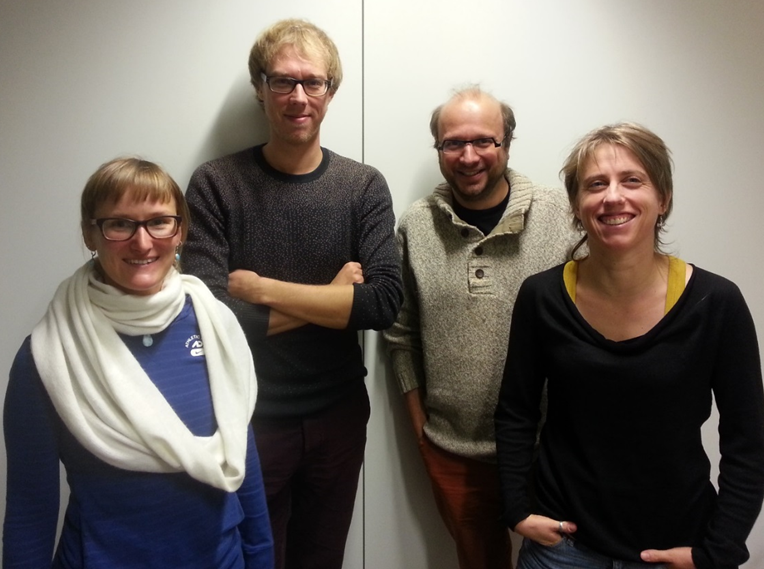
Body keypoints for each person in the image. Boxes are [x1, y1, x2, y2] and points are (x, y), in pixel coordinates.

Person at [182, 18, 403, 569]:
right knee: (251, 558)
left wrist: (264, 289)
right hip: (247, 419)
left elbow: (381, 303)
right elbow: (209, 318)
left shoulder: (363, 186)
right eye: (283, 81)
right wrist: (330, 298)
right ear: (260, 89)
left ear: (332, 90)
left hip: (339, 418)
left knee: (320, 559)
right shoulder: (215, 184)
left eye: (313, 82)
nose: (299, 97)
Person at [495, 122, 764, 569]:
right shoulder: (542, 297)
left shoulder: (716, 302)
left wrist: (720, 550)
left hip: (674, 548)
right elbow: (516, 412)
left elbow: (747, 440)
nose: (612, 196)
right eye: (595, 185)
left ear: (664, 198)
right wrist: (517, 508)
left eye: (632, 180)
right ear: (577, 207)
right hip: (563, 550)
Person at [3, 157, 274, 568]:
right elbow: (29, 507)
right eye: (119, 224)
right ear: (90, 233)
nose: (143, 243)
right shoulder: (47, 355)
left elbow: (241, 458)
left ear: (180, 231)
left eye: (159, 222)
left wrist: (261, 558)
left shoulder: (216, 324)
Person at [383, 86, 577, 569]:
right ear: (439, 150)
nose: (468, 156)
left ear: (507, 143)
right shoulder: (416, 226)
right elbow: (400, 334)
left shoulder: (562, 217)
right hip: (454, 450)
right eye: (453, 143)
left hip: (550, 449)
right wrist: (421, 429)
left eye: (484, 141)